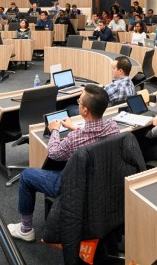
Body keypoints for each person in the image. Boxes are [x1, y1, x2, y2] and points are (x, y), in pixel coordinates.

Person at [7, 85, 119, 241]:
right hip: (101, 181)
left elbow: (54, 153)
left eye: (79, 101)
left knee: (26, 176)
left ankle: (25, 229)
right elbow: (92, 135)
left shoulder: (74, 139)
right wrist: (74, 127)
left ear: (85, 110)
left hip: (74, 186)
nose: (78, 103)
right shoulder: (113, 127)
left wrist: (55, 130)